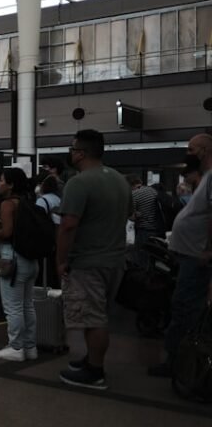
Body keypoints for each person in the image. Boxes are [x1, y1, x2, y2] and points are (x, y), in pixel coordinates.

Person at [56, 129, 132, 391]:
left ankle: (95, 371)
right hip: (115, 259)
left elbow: (68, 225)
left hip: (88, 261)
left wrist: (61, 260)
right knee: (100, 315)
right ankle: (91, 359)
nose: (71, 153)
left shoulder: (79, 182)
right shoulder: (120, 180)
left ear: (80, 152)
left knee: (93, 319)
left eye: (72, 148)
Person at [149, 135, 212, 378]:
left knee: (186, 307)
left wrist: (208, 249)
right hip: (190, 254)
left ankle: (180, 362)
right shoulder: (205, 178)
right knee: (182, 304)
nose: (188, 153)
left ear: (204, 150)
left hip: (197, 256)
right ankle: (179, 359)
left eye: (191, 149)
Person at [0, 167, 39, 361]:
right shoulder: (28, 201)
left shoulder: (8, 204)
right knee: (27, 305)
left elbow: (7, 232)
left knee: (13, 307)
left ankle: (16, 347)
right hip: (30, 260)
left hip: (12, 259)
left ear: (11, 185)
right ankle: (30, 346)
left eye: (1, 180)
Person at [126, 174, 160, 268]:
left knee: (140, 259)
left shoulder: (134, 194)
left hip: (144, 230)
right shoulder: (153, 190)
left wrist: (134, 214)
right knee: (151, 258)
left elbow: (131, 217)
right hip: (157, 230)